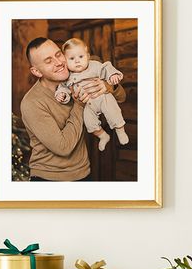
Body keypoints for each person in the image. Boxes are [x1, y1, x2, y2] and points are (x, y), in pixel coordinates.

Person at [20, 37, 126, 181]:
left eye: (58, 54)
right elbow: (63, 148)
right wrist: (79, 105)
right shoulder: (32, 103)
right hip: (49, 179)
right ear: (37, 71)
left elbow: (122, 98)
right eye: (48, 61)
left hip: (83, 171)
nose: (58, 62)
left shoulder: (78, 73)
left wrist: (109, 86)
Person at [54, 38, 129, 151]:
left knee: (113, 111)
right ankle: (103, 136)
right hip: (88, 104)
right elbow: (63, 88)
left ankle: (120, 130)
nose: (77, 61)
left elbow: (107, 68)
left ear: (88, 56)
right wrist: (61, 94)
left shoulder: (94, 66)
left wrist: (112, 76)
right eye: (72, 59)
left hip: (103, 97)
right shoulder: (67, 77)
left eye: (81, 57)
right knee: (89, 122)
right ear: (65, 61)